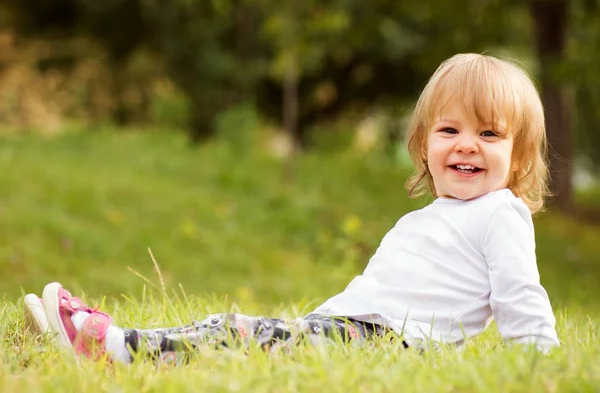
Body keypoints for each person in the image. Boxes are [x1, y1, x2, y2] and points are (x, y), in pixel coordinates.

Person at [24, 53, 560, 364]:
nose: (466, 144)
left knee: (234, 330)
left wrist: (541, 367)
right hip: (354, 330)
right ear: (424, 144)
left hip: (393, 345)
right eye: (450, 130)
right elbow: (383, 289)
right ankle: (74, 340)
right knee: (234, 329)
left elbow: (520, 295)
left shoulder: (499, 213)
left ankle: (110, 346)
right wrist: (317, 323)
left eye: (489, 134)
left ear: (519, 158)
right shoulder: (424, 219)